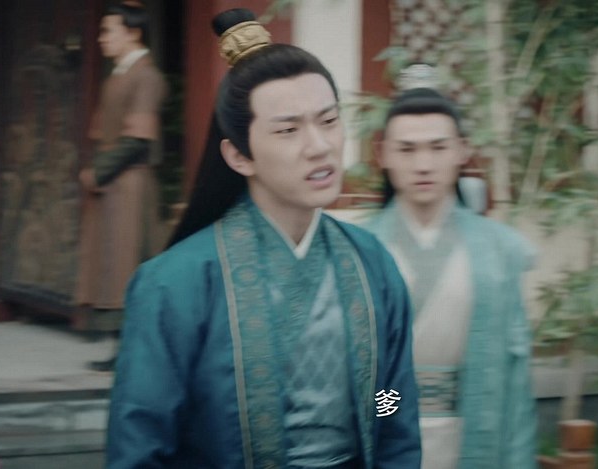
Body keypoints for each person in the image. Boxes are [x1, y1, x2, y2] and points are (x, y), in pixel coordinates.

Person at [105, 8, 420, 469]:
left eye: (328, 121)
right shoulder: (174, 284)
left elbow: (391, 396)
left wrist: (382, 420)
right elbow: (143, 438)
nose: (319, 146)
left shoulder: (372, 262)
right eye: (288, 129)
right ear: (239, 155)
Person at [365, 87, 538, 469]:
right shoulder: (361, 250)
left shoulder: (500, 250)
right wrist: (388, 423)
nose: (423, 164)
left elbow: (515, 380)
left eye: (438, 148)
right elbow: (363, 373)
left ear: (462, 150)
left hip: (476, 420)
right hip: (395, 417)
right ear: (383, 154)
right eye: (407, 149)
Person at [75, 0, 167, 371]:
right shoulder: (119, 75)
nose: (102, 38)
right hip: (115, 184)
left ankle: (138, 353)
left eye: (108, 30)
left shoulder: (146, 76)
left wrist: (98, 173)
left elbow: (137, 141)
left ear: (133, 33)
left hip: (129, 184)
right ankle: (122, 351)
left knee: (128, 263)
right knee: (114, 264)